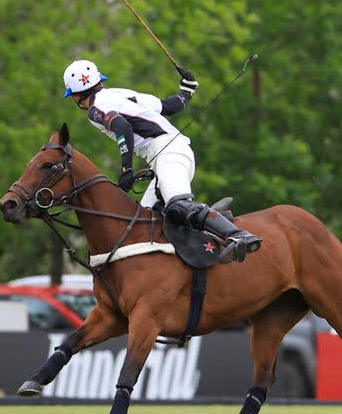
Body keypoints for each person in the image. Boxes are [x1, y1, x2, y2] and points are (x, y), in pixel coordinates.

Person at [62, 60, 261, 264]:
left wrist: (126, 169)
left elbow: (122, 128)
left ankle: (238, 235)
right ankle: (212, 223)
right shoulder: (119, 93)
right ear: (99, 81)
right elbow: (168, 106)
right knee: (141, 224)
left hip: (169, 151)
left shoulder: (94, 110)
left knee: (178, 204)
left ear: (76, 96)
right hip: (166, 154)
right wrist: (186, 92)